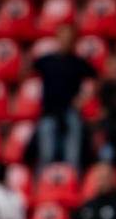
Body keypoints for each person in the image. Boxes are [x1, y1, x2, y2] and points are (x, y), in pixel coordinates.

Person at [32, 23, 97, 168]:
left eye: (70, 38)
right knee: (47, 155)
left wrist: (84, 97)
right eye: (64, 37)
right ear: (57, 38)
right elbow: (25, 72)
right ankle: (44, 187)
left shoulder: (79, 63)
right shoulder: (46, 61)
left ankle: (72, 186)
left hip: (71, 113)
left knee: (72, 156)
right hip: (49, 113)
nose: (66, 41)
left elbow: (99, 80)